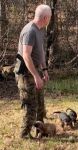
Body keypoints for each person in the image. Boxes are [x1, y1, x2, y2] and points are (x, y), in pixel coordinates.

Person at [14, 4, 52, 139]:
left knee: (40, 105)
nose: (50, 20)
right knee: (30, 106)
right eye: (50, 17)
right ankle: (24, 136)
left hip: (36, 70)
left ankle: (41, 131)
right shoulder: (30, 31)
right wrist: (36, 76)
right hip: (26, 74)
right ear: (45, 17)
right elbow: (26, 55)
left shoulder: (40, 30)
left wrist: (44, 69)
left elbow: (40, 51)